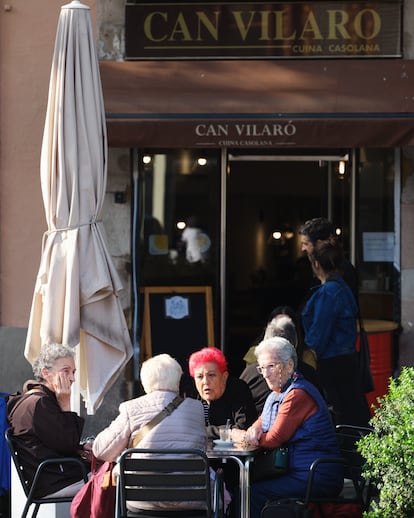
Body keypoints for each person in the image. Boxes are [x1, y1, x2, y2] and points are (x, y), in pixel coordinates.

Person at [232, 337, 343, 517]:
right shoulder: (278, 393)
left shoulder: (297, 394)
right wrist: (253, 430)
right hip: (297, 471)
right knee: (242, 488)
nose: (265, 374)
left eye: (271, 366)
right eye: (262, 368)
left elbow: (275, 438)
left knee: (248, 492)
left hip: (315, 475)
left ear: (289, 365)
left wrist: (246, 437)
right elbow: (262, 420)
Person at [93, 353, 210, 512]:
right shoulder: (197, 409)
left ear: (145, 382)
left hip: (142, 501)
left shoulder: (132, 408)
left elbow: (101, 451)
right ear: (177, 380)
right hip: (192, 500)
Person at [301, 240, 371, 427]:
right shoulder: (341, 287)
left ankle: (344, 453)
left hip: (332, 361)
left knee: (340, 412)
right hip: (345, 359)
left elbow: (319, 333)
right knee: (351, 410)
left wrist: (306, 354)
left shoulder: (329, 292)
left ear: (316, 265)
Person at [7, 343, 90, 499]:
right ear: (46, 373)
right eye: (66, 372)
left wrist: (82, 447)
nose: (72, 378)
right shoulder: (39, 404)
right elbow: (67, 444)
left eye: (73, 372)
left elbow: (52, 441)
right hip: (55, 481)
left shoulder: (38, 399)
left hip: (55, 476)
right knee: (115, 481)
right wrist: (66, 404)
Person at [240, 313, 320, 414]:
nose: (266, 375)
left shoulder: (249, 373)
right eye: (262, 369)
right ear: (295, 343)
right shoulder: (309, 373)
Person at [188, 347, 257, 439]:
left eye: (211, 375)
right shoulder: (191, 395)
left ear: (224, 377)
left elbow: (243, 429)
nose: (205, 381)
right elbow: (189, 430)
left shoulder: (238, 389)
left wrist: (207, 431)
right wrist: (228, 432)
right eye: (199, 377)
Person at [299, 217, 359, 300]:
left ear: (320, 243)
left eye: (306, 244)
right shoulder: (320, 267)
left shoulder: (342, 270)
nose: (303, 249)